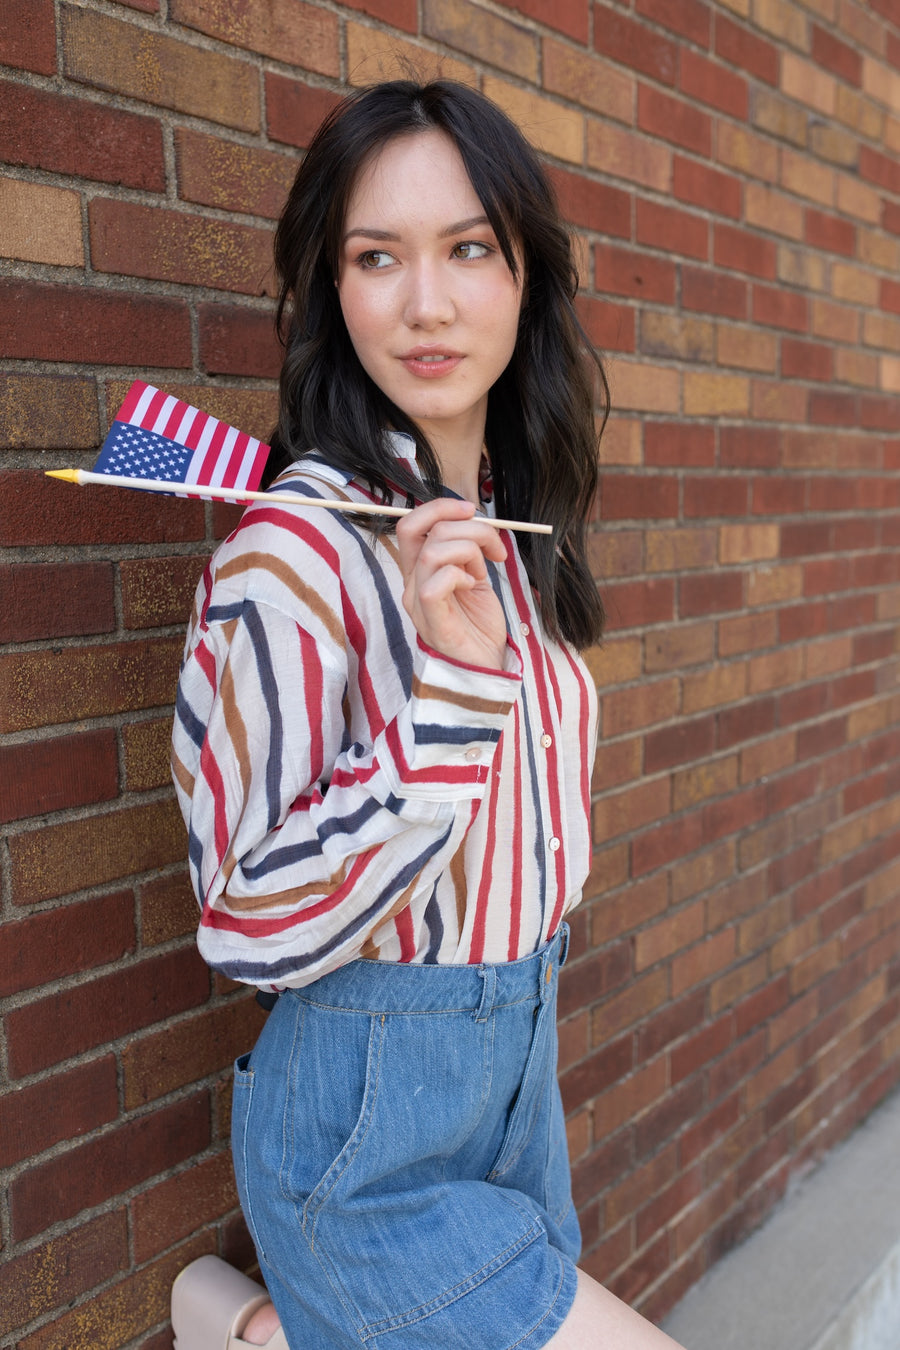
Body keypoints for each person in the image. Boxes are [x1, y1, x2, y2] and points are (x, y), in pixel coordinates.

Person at [171, 79, 684, 1350]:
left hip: (519, 1083)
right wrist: (448, 698)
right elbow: (241, 917)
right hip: (360, 1134)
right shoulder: (293, 553)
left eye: (467, 249)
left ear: (526, 275)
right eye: (375, 257)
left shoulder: (514, 529)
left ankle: (249, 1330)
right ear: (331, 292)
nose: (428, 303)